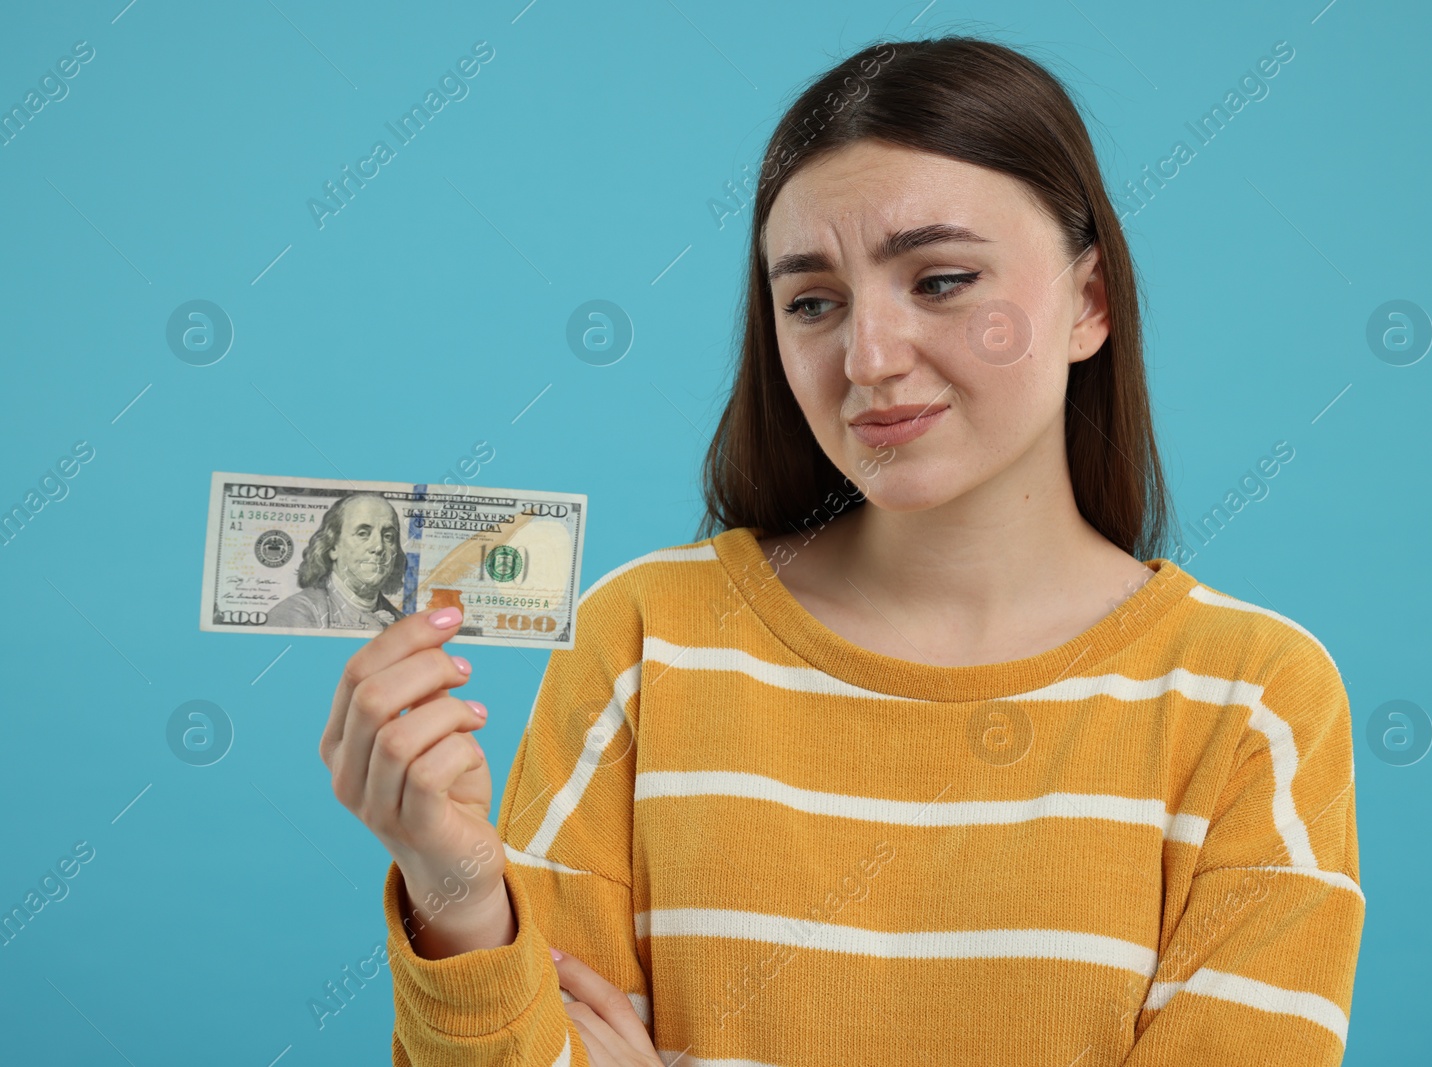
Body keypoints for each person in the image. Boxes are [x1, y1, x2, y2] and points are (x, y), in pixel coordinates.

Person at [320, 35, 1363, 1067]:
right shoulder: (643, 640)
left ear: (1088, 302)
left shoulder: (1253, 702)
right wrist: (455, 888)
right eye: (812, 302)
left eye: (943, 279)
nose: (868, 358)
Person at [268, 491, 408, 630]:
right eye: (363, 534)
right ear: (333, 547)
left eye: (388, 536)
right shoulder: (295, 614)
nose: (378, 547)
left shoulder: (403, 623)